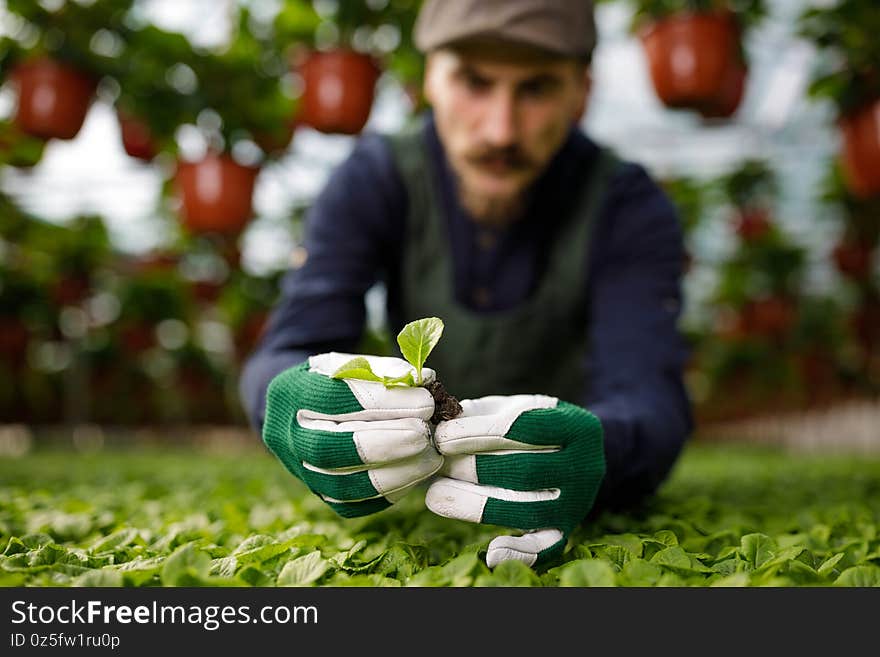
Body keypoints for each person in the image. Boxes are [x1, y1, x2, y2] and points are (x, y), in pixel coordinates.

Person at [239, 0, 694, 569]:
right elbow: (290, 346)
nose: (501, 129)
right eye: (474, 82)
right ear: (429, 76)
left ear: (583, 91)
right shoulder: (375, 178)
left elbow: (651, 395)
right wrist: (287, 399)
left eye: (537, 89)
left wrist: (603, 449)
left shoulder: (627, 206)